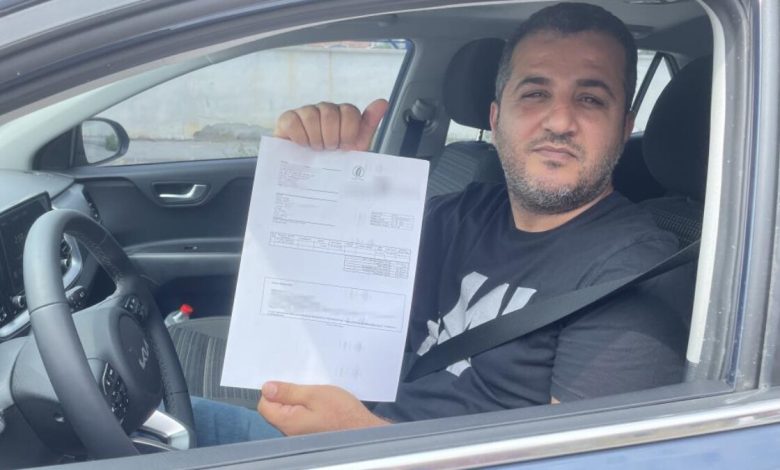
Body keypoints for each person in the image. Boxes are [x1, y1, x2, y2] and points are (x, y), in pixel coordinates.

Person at [190, 2, 688, 445]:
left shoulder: (634, 274)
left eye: (590, 99)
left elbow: (578, 463)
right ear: (495, 118)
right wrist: (325, 176)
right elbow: (328, 303)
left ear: (625, 128)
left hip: (375, 450)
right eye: (535, 94)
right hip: (353, 435)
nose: (559, 121)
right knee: (161, 423)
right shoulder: (461, 212)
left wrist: (357, 436)